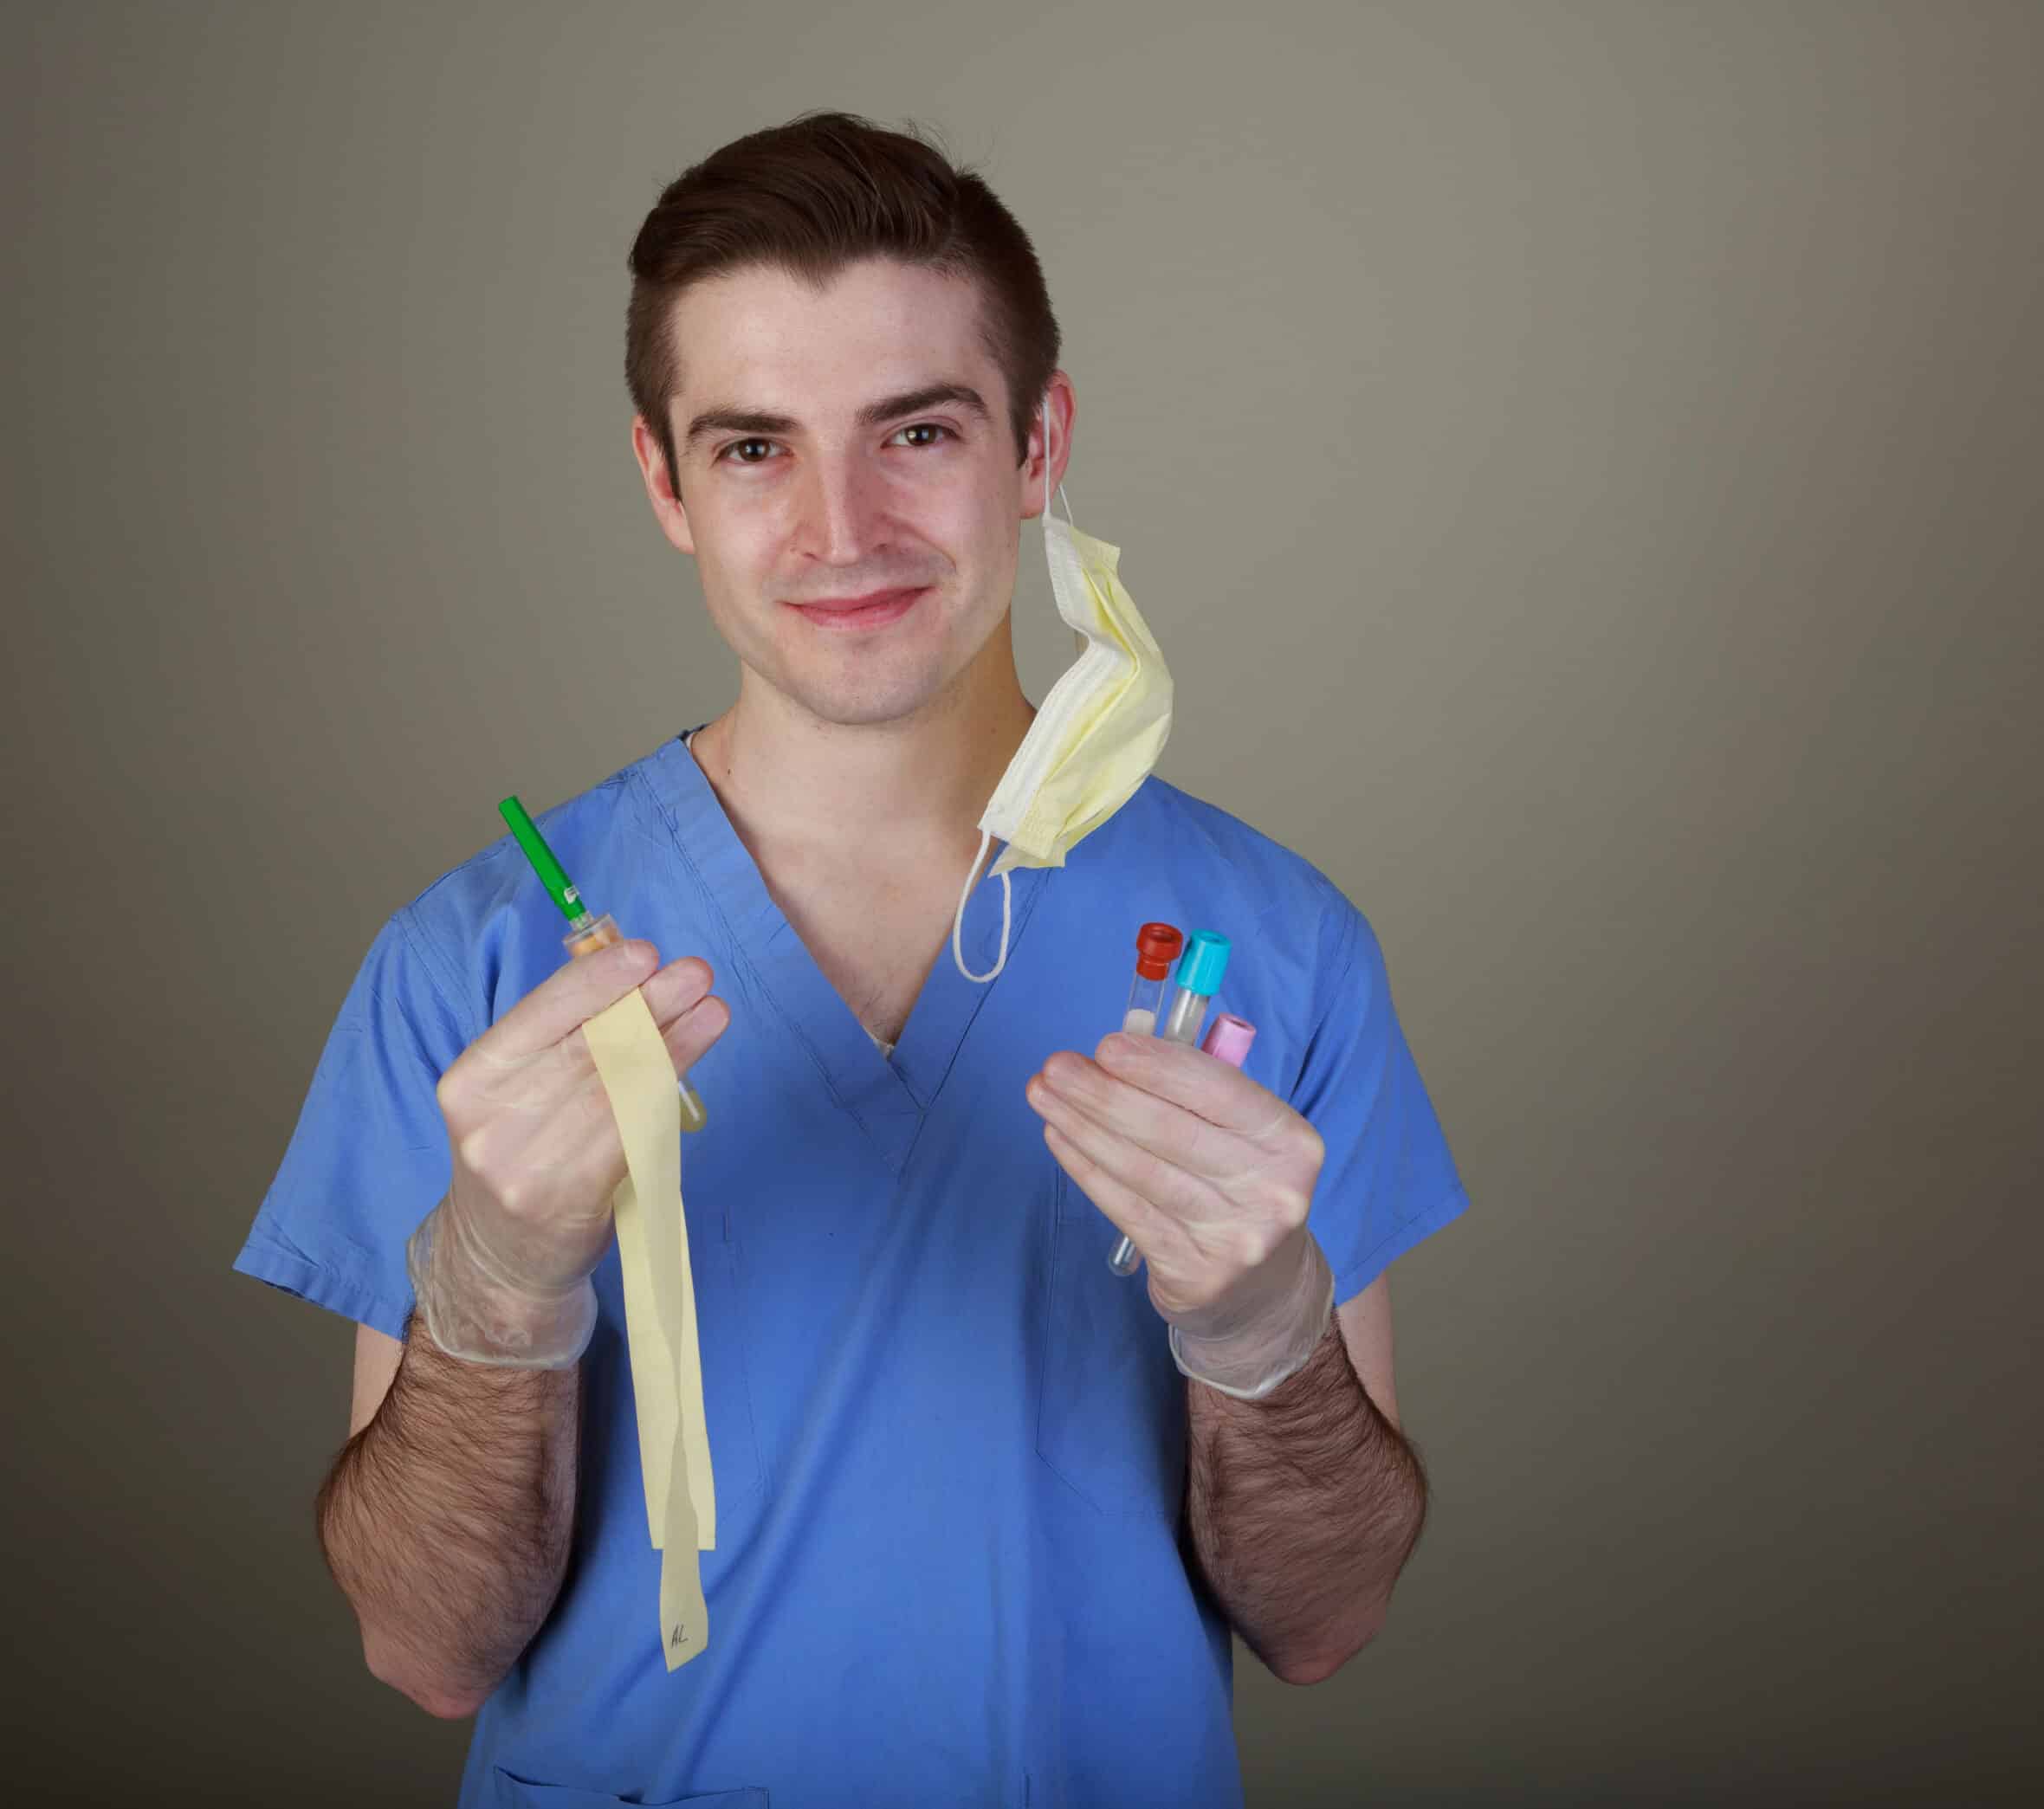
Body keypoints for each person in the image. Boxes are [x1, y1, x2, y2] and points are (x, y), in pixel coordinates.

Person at [233, 109, 1469, 1808]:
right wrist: (494, 1291)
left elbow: (1323, 1621)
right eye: (753, 447)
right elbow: (425, 1650)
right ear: (663, 483)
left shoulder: (1275, 944)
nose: (841, 528)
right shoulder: (481, 964)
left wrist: (1265, 1332)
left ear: (1039, 449)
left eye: (916, 431)